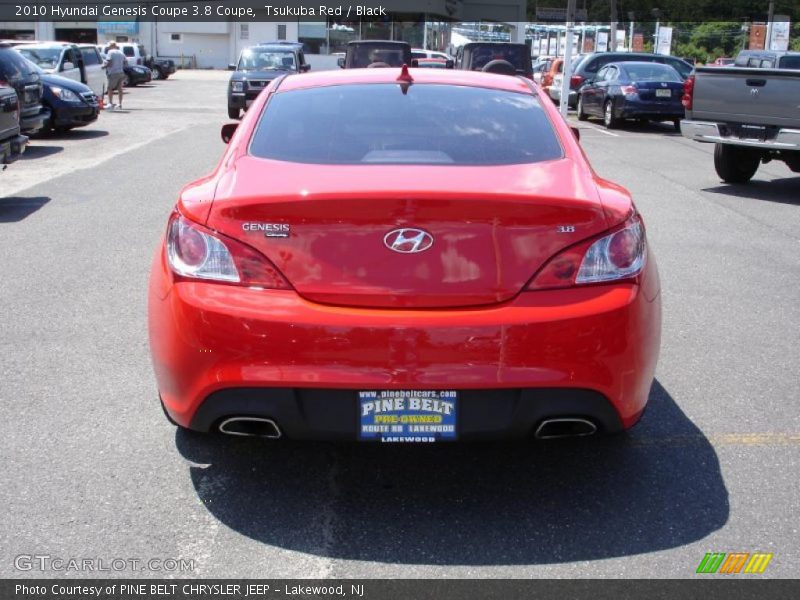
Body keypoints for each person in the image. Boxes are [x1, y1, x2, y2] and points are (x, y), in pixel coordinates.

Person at [103, 41, 126, 110]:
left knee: (110, 88)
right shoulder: (121, 52)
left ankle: (110, 103)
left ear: (111, 46)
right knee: (120, 89)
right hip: (121, 72)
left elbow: (109, 62)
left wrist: (104, 66)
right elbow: (126, 62)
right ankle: (120, 104)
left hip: (113, 73)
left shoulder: (110, 52)